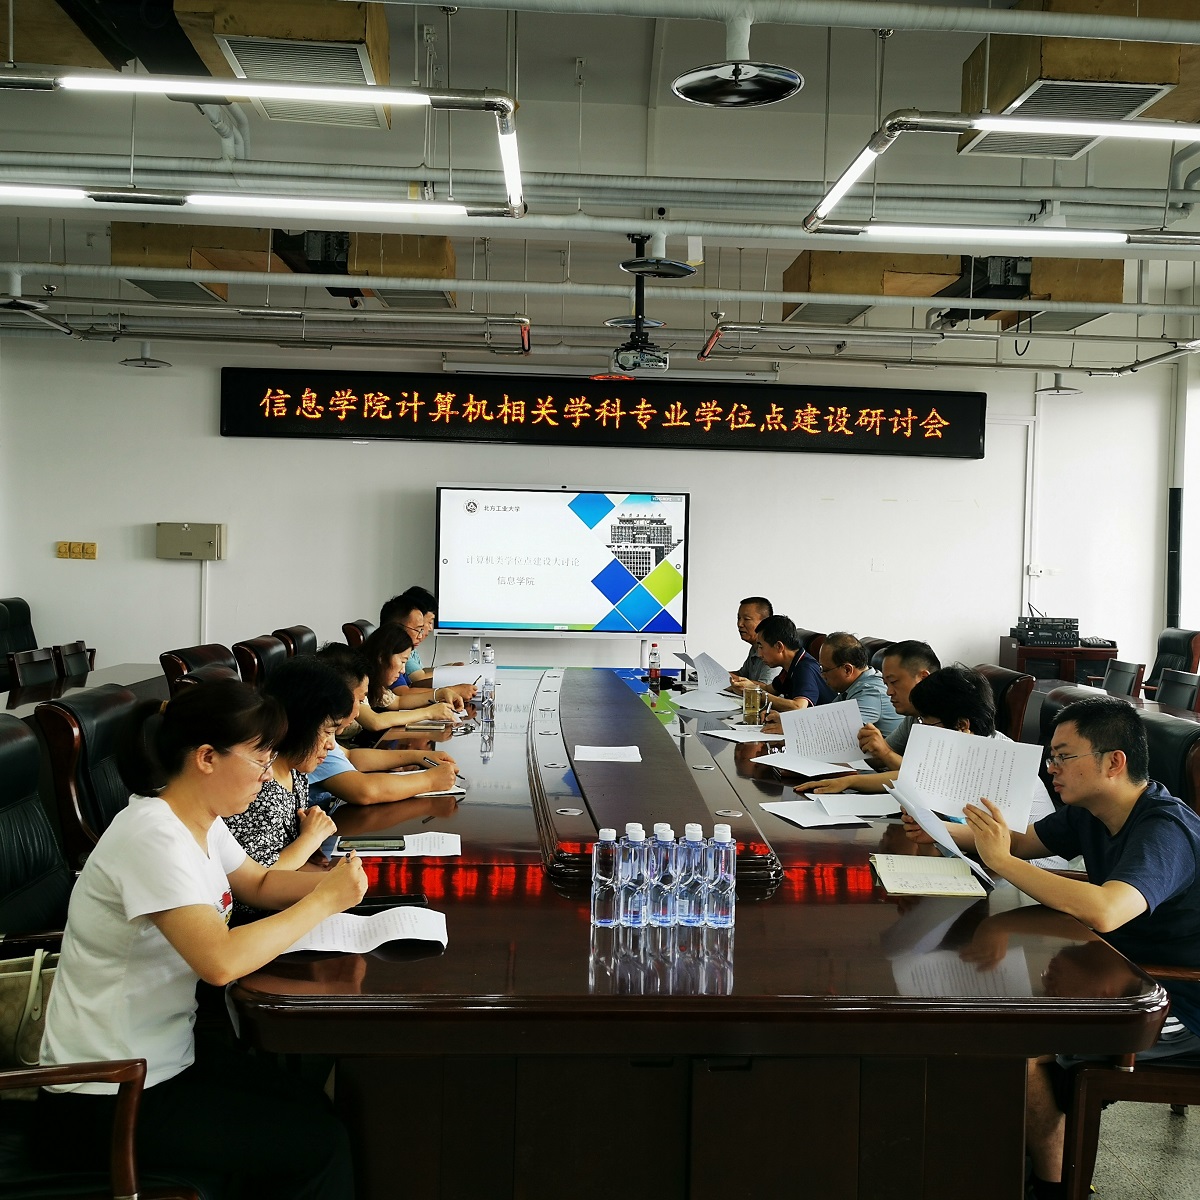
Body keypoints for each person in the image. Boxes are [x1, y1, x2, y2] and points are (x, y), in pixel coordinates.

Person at [36, 679, 366, 1199]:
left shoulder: (200, 820)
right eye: (261, 760)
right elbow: (219, 961)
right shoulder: (151, 835)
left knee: (313, 1106)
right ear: (207, 757)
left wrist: (348, 886)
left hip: (165, 1058)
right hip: (107, 1092)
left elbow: (259, 882)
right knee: (318, 1146)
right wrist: (323, 902)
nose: (268, 775)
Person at [904, 696, 1200, 1200]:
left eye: (1064, 756)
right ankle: (1011, 1156)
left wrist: (1003, 861)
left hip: (1176, 1000)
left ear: (1114, 762)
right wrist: (939, 830)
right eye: (1052, 756)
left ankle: (1054, 1186)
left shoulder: (1166, 829)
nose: (1051, 768)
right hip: (1114, 970)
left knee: (1021, 1050)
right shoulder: (1090, 811)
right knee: (988, 1015)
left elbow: (1107, 910)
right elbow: (1022, 844)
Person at [223, 656, 350, 918]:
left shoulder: (295, 772)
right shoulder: (259, 789)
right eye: (327, 732)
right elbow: (260, 880)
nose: (331, 745)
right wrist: (310, 839)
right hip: (255, 917)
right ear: (300, 724)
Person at [309, 642, 459, 809]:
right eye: (360, 700)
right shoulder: (313, 737)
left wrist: (419, 756)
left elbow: (350, 756)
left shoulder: (322, 731)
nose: (358, 713)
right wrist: (430, 780)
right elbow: (365, 791)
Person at [357, 623, 465, 737]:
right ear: (382, 658)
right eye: (402, 661)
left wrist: (440, 693)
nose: (403, 671)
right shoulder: (356, 679)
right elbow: (375, 721)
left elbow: (398, 702)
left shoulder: (374, 682)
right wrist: (429, 713)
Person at [379, 586, 474, 702]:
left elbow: (409, 687)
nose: (421, 635)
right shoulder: (388, 654)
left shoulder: (396, 652)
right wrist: (451, 690)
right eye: (418, 629)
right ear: (397, 627)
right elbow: (403, 693)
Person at [858, 640, 940, 769]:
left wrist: (885, 752)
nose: (889, 692)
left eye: (894, 682)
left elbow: (924, 776)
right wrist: (869, 744)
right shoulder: (914, 715)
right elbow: (879, 760)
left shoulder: (949, 717)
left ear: (923, 678)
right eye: (886, 684)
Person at [817, 632, 903, 737]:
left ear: (847, 670)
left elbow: (839, 733)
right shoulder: (853, 687)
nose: (822, 675)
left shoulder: (871, 692)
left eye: (825, 669)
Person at [751, 615, 834, 723]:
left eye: (761, 647)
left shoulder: (804, 667)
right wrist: (742, 684)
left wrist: (756, 695)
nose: (759, 654)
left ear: (779, 646)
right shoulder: (790, 665)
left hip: (824, 727)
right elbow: (768, 689)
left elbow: (799, 707)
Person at [728, 595, 779, 687]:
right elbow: (742, 675)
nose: (740, 624)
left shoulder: (773, 650)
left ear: (764, 622)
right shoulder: (755, 647)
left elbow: (765, 688)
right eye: (739, 618)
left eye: (746, 619)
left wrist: (729, 679)